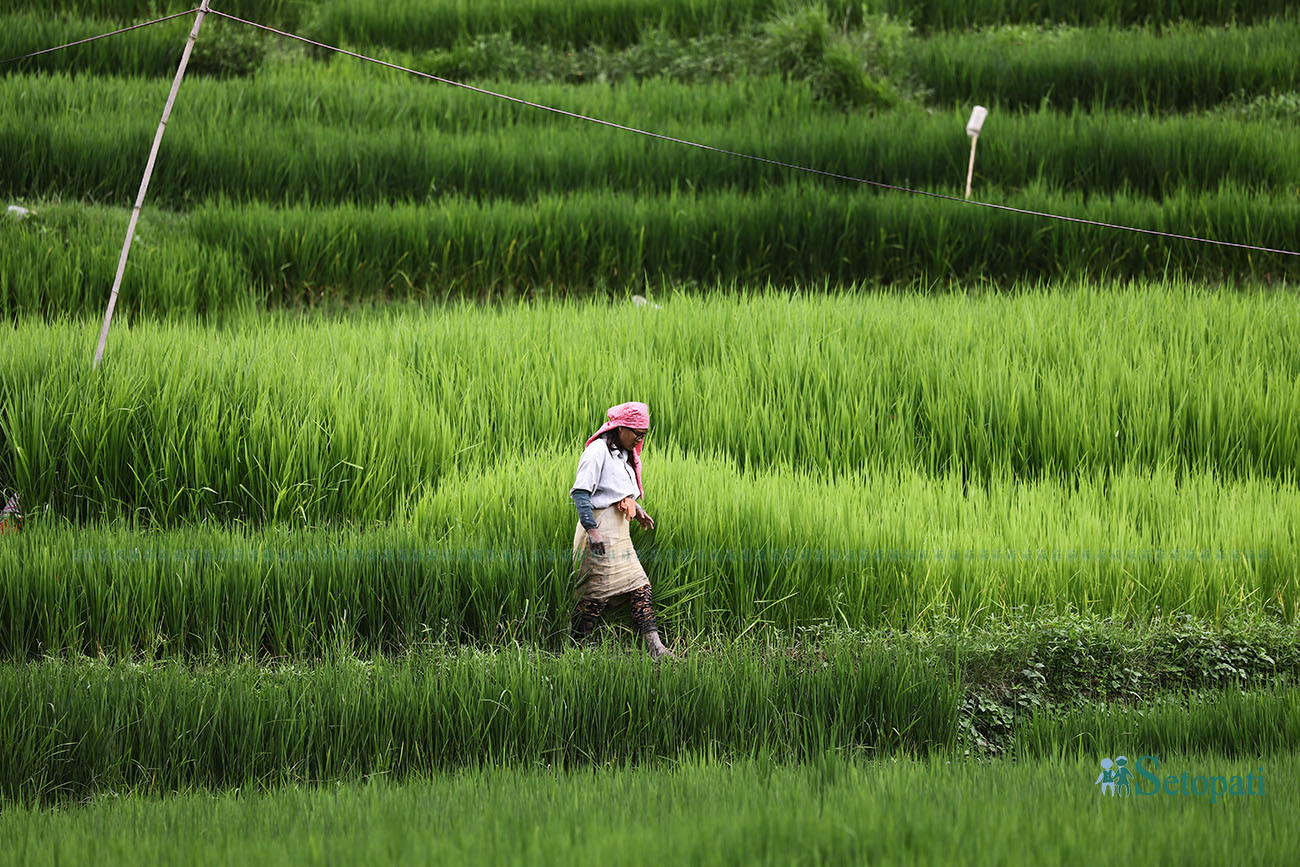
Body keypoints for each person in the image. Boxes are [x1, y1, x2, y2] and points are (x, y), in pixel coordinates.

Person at [569, 401, 674, 660]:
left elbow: (615, 490)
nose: (639, 439)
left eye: (643, 435)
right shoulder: (597, 451)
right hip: (600, 531)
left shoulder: (625, 453)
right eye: (636, 433)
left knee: (640, 587)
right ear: (620, 428)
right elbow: (582, 493)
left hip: (620, 533)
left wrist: (636, 509)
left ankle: (657, 649)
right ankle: (576, 650)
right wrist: (592, 531)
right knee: (596, 595)